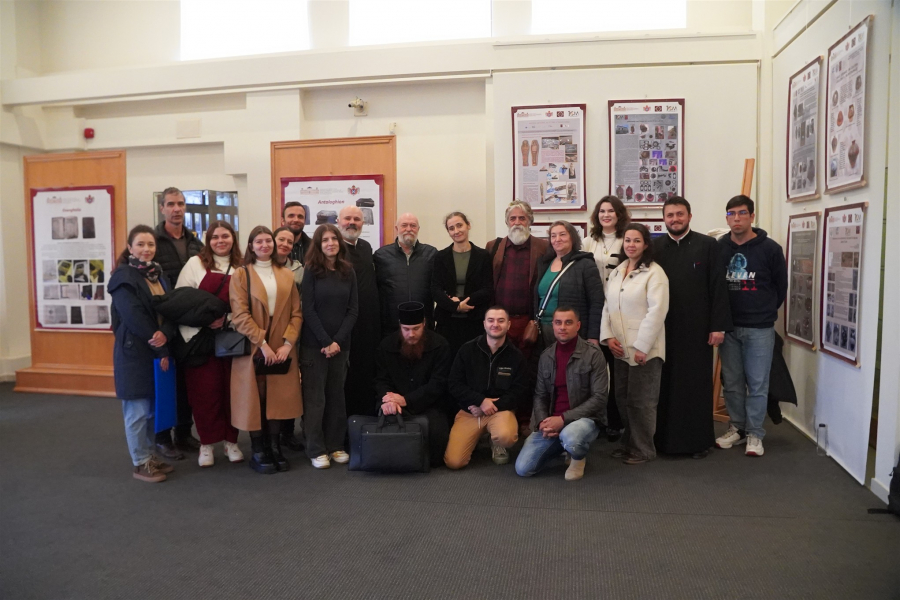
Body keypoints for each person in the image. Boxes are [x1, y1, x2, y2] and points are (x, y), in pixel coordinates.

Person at [652, 197, 732, 459]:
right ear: (664, 218)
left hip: (698, 329)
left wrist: (718, 326)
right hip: (663, 328)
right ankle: (663, 442)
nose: (675, 219)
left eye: (680, 214)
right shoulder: (655, 248)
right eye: (670, 215)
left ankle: (698, 443)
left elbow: (718, 287)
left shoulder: (707, 245)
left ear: (689, 216)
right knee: (665, 385)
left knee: (695, 386)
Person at [716, 195, 787, 458]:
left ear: (752, 216)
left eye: (742, 213)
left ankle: (755, 433)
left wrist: (763, 311)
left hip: (759, 328)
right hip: (729, 328)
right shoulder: (719, 248)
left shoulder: (770, 249)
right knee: (732, 383)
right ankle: (737, 427)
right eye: (731, 213)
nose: (736, 218)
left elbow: (780, 287)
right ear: (727, 218)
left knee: (757, 384)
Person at [229, 226, 303, 474]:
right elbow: (240, 316)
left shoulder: (286, 274)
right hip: (254, 346)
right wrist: (263, 344)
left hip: (282, 345)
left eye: (268, 241)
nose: (264, 245)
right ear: (251, 246)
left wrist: (287, 344)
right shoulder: (241, 274)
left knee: (278, 398)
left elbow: (296, 313)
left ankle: (275, 447)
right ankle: (259, 449)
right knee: (256, 398)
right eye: (258, 241)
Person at [108, 225, 177, 482]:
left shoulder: (159, 275)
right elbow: (133, 315)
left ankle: (149, 456)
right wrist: (157, 339)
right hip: (135, 352)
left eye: (150, 244)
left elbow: (170, 309)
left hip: (157, 349)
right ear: (130, 248)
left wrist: (165, 333)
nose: (146, 249)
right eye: (140, 244)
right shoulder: (123, 277)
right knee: (136, 411)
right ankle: (140, 462)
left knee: (151, 411)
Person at [175, 220, 245, 467]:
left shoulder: (242, 266)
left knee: (232, 393)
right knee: (204, 394)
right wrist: (205, 321)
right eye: (215, 237)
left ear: (233, 238)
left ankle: (231, 441)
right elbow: (180, 301)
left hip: (232, 339)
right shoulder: (194, 264)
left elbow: (248, 304)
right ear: (208, 240)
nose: (220, 241)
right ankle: (206, 443)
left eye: (225, 236)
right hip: (200, 340)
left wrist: (227, 320)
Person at [600, 223, 669, 465]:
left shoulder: (655, 273)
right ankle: (629, 443)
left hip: (644, 350)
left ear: (646, 244)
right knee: (623, 399)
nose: (631, 245)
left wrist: (642, 347)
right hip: (620, 347)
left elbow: (656, 313)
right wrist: (608, 337)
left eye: (637, 240)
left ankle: (643, 449)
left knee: (642, 402)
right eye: (628, 240)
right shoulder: (618, 271)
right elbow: (607, 307)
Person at [515, 307, 608, 481]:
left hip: (584, 420)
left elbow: (599, 398)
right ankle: (563, 446)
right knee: (523, 468)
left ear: (578, 325)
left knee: (571, 436)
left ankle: (577, 456)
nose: (562, 327)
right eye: (558, 323)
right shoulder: (546, 356)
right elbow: (540, 395)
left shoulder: (593, 354)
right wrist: (543, 422)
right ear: (553, 325)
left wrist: (563, 419)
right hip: (553, 420)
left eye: (568, 322)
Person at [486, 200, 549, 436]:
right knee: (500, 370)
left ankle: (524, 419)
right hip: (499, 322)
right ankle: (502, 416)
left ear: (530, 221)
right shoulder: (494, 247)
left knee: (527, 372)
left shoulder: (543, 247)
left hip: (527, 321)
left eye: (522, 218)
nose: (517, 222)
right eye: (512, 218)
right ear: (506, 222)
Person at [301, 224, 359, 469]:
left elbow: (353, 310)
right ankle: (316, 449)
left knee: (337, 397)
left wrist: (337, 341)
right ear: (318, 244)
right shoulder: (311, 270)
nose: (330, 244)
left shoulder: (348, 271)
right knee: (316, 400)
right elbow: (308, 309)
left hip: (341, 346)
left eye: (334, 239)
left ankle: (335, 445)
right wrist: (326, 341)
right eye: (325, 240)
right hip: (314, 346)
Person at [153, 187, 204, 459]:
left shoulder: (195, 242)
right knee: (164, 383)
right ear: (162, 208)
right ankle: (162, 437)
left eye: (181, 204)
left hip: (190, 321)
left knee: (186, 383)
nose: (177, 209)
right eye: (171, 204)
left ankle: (183, 433)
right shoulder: (152, 241)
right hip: (163, 321)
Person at [445, 307, 528, 469]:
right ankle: (475, 438)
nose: (495, 324)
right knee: (454, 462)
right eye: (491, 320)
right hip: (470, 411)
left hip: (500, 411)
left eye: (501, 320)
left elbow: (519, 391)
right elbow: (454, 384)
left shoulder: (516, 356)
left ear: (508, 325)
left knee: (506, 437)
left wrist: (492, 405)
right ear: (484, 324)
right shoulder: (467, 350)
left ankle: (496, 441)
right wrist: (480, 401)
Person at [374, 301, 452, 467]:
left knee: (437, 435)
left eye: (416, 328)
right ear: (400, 326)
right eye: (406, 329)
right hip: (395, 403)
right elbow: (381, 380)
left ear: (424, 323)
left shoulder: (440, 345)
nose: (411, 334)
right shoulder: (386, 345)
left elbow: (438, 384)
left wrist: (407, 400)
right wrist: (388, 400)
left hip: (429, 405)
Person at [583, 195, 630, 441]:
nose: (606, 215)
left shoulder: (626, 240)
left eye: (611, 211)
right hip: (593, 310)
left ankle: (615, 420)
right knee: (594, 370)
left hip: (617, 311)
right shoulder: (588, 241)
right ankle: (594, 418)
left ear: (619, 214)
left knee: (616, 368)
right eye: (602, 211)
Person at [338, 205, 381, 418]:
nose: (352, 223)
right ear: (338, 222)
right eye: (347, 218)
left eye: (357, 219)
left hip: (369, 323)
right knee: (346, 377)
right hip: (344, 324)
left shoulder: (366, 247)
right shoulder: (334, 249)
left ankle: (365, 421)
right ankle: (345, 424)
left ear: (363, 223)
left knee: (366, 372)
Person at [431, 211, 494, 358]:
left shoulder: (483, 256)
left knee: (473, 362)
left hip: (475, 320)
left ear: (468, 225)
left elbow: (487, 289)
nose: (456, 231)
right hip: (447, 321)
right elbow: (435, 289)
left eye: (459, 225)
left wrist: (461, 302)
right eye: (451, 228)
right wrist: (455, 306)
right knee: (448, 362)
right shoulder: (440, 256)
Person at [534, 221, 604, 346]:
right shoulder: (544, 263)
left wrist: (593, 336)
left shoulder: (585, 264)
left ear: (572, 237)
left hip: (571, 331)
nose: (557, 239)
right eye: (553, 236)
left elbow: (596, 303)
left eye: (562, 234)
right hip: (544, 330)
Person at [373, 213, 437, 333]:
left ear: (418, 229)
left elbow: (438, 286)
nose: (408, 229)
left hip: (423, 323)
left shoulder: (431, 254)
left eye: (413, 225)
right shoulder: (381, 255)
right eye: (404, 225)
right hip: (391, 325)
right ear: (396, 228)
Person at [272, 226, 305, 452]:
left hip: (294, 330)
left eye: (289, 242)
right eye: (281, 240)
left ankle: (287, 432)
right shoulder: (261, 267)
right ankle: (270, 435)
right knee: (271, 384)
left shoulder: (298, 269)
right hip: (269, 332)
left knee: (291, 384)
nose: (285, 244)